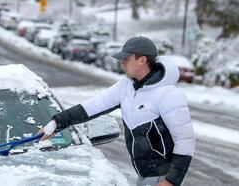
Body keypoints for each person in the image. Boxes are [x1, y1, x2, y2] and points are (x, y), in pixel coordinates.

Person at [40, 36, 196, 186]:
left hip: (162, 177)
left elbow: (185, 141)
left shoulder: (168, 94)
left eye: (127, 59)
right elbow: (93, 105)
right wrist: (57, 121)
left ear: (142, 60)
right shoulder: (127, 85)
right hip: (145, 175)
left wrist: (171, 180)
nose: (122, 63)